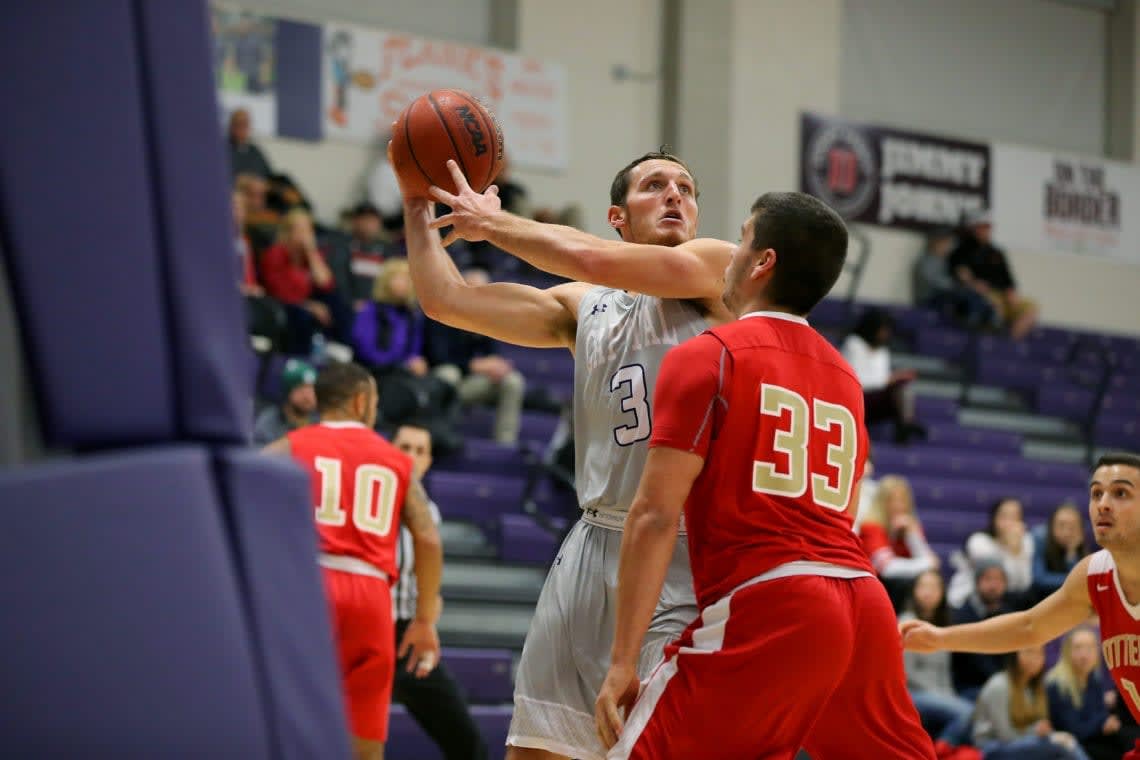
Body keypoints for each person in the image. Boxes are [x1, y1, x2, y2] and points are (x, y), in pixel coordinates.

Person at [397, 149, 735, 760]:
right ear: (618, 215)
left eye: (686, 187)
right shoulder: (586, 308)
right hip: (591, 545)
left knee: (653, 746)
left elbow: (588, 256)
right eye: (654, 185)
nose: (675, 195)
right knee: (537, 749)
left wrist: (495, 224)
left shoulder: (719, 277)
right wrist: (417, 201)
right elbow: (445, 300)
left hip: (682, 551)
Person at [594, 192, 934, 759]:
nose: (729, 254)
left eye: (743, 237)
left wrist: (623, 661)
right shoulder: (846, 377)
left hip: (774, 598)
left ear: (762, 262)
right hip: (862, 602)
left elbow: (654, 515)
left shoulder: (711, 353)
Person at [263, 362, 443, 760]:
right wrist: (425, 618)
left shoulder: (292, 445)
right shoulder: (395, 461)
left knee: (285, 722)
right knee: (364, 741)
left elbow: (237, 485)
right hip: (372, 596)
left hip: (310, 588)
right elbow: (428, 538)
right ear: (362, 402)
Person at [901, 452, 1140, 735]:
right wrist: (940, 638)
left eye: (1120, 493)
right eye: (1096, 493)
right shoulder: (1094, 574)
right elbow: (1029, 626)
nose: (1103, 505)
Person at [389, 423, 489, 760]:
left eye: (419, 451)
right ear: (390, 450)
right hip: (369, 629)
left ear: (429, 460)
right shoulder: (375, 498)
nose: (411, 457)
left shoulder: (429, 511)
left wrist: (429, 607)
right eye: (404, 447)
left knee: (466, 741)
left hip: (410, 633)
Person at [899, 570, 975, 745]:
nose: (928, 592)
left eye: (934, 587)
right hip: (913, 694)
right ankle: (940, 751)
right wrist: (942, 698)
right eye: (923, 586)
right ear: (914, 591)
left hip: (937, 695)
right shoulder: (906, 622)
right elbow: (906, 674)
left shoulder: (942, 625)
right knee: (967, 712)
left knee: (975, 711)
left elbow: (944, 673)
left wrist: (948, 696)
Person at [972, 646, 1088, 759]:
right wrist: (1037, 732)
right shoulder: (999, 685)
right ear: (1015, 654)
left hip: (1022, 742)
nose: (1035, 659)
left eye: (1040, 654)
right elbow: (1005, 735)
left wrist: (1044, 732)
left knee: (1067, 742)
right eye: (1029, 652)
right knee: (1059, 746)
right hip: (993, 748)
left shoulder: (1033, 688)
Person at [1047, 626, 1140, 760]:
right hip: (1072, 744)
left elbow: (1101, 712)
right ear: (1067, 651)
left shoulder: (1093, 678)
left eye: (1090, 648)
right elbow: (1073, 729)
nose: (1084, 654)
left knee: (1131, 737)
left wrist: (1106, 722)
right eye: (1078, 648)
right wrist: (1102, 724)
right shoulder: (1057, 683)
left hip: (1094, 737)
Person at [948, 209, 1038, 341]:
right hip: (982, 296)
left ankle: (1010, 344)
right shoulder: (961, 251)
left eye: (988, 227)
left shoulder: (996, 253)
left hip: (1002, 296)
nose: (987, 230)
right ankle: (994, 345)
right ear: (973, 228)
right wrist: (973, 284)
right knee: (993, 305)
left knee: (1030, 308)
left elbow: (1008, 280)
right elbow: (961, 274)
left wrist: (1010, 292)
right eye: (983, 226)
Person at [840, 309, 925, 444]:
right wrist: (892, 379)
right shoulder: (853, 344)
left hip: (876, 398)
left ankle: (905, 425)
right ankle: (906, 425)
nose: (885, 334)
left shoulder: (883, 351)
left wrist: (893, 379)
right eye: (883, 329)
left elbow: (881, 379)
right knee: (898, 387)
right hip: (857, 398)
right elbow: (856, 380)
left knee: (903, 388)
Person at [857, 474, 940, 609]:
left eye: (903, 500)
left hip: (900, 594)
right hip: (874, 589)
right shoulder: (871, 527)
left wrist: (913, 536)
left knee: (930, 580)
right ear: (881, 503)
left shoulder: (909, 528)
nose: (898, 506)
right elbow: (887, 569)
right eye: (892, 500)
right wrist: (927, 563)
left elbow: (927, 562)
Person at [948, 497, 1035, 609]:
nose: (1010, 522)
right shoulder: (978, 540)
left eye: (1015, 517)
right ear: (994, 517)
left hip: (1006, 600)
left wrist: (1017, 551)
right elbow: (996, 578)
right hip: (972, 597)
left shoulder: (1026, 541)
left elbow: (1024, 584)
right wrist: (1011, 549)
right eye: (1005, 516)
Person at [252, 358, 318, 446]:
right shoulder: (268, 423)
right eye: (301, 389)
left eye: (312, 389)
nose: (308, 397)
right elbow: (259, 456)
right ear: (288, 392)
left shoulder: (320, 421)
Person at [1032, 504, 1090, 601]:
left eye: (1072, 527)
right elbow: (1039, 580)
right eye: (1061, 525)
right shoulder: (1040, 539)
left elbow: (1081, 585)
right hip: (1039, 599)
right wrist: (1072, 582)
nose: (1066, 532)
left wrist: (1071, 553)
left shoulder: (1080, 548)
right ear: (1051, 526)